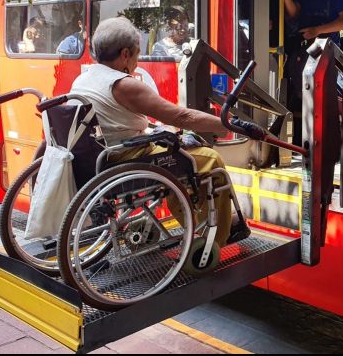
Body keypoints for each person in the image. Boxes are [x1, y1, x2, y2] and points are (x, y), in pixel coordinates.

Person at [70, 17, 247, 251]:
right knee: (211, 161)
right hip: (126, 158)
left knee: (179, 161)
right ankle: (218, 236)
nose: (137, 62)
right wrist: (228, 125)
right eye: (137, 54)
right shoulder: (123, 84)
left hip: (101, 158)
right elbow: (182, 117)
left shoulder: (83, 79)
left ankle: (194, 223)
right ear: (125, 54)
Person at [276, 0, 343, 144]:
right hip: (304, 49)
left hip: (328, 50)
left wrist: (317, 30)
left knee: (325, 97)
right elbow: (293, 13)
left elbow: (342, 22)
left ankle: (327, 141)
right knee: (302, 93)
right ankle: (302, 139)